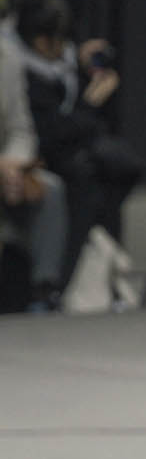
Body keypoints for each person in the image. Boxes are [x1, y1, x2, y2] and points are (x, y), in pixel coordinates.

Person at [13, 0, 142, 293]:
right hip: (40, 157)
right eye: (59, 40)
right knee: (87, 180)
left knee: (113, 170)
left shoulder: (62, 62)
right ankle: (60, 283)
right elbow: (47, 131)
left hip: (72, 152)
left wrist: (84, 71)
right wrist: (90, 103)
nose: (65, 48)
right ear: (41, 41)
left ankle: (102, 275)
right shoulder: (17, 69)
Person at [0, 29, 67, 310]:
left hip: (6, 170)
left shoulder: (7, 58)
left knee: (50, 190)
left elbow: (21, 129)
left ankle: (44, 291)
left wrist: (13, 164)